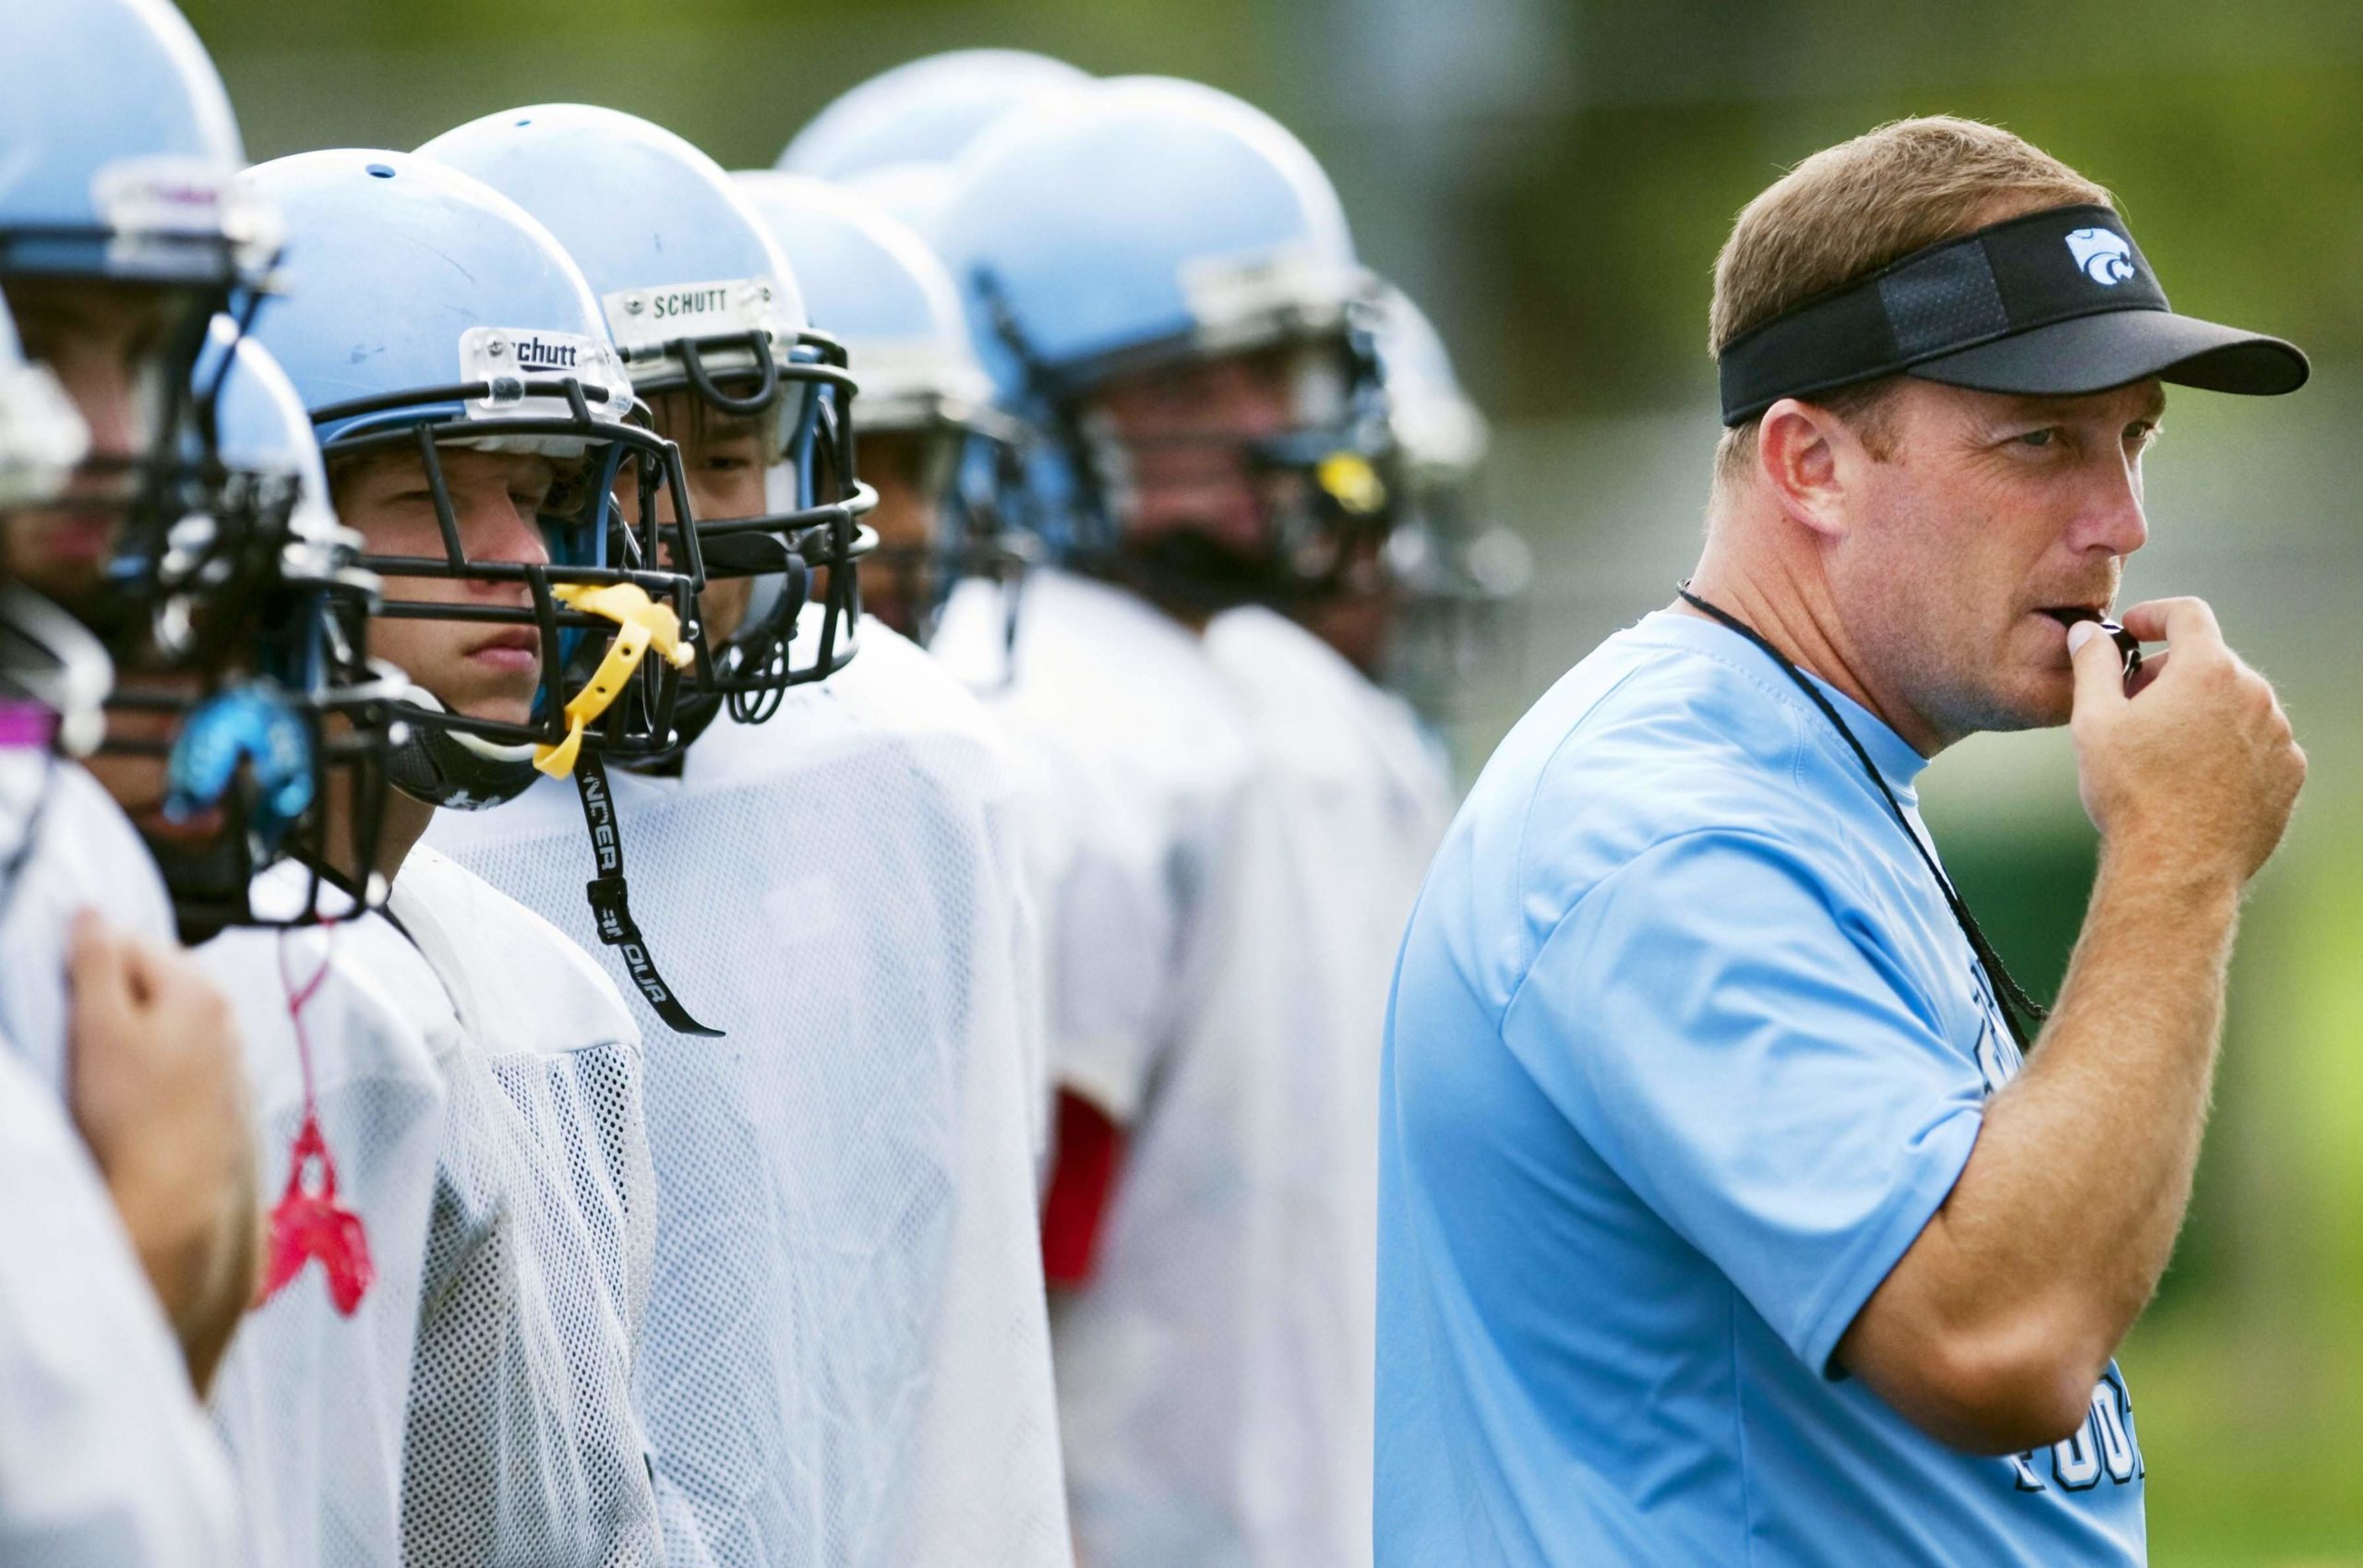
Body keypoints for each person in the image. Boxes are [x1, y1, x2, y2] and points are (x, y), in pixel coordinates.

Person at [1375, 116, 2309, 1566]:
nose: (2119, 520)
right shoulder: (1665, 831)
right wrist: (2177, 853)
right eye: (2042, 440)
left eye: (2133, 439)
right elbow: (2002, 1340)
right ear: (1811, 463)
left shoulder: (1805, 766)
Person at [414, 105, 1069, 1568]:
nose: (688, 537)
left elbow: (964, 1301)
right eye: (615, 472)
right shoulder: (408, 817)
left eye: (730, 457)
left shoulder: (913, 754)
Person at [930, 75, 1399, 1567]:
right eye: (1188, 394)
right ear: (1027, 415)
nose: (1265, 432)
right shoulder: (1043, 716)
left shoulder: (1296, 694)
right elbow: (1009, 1265)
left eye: (1280, 372)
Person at [242, 147, 699, 1567]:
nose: (527, 558)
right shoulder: (211, 983)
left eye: (541, 494)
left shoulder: (550, 991)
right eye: (428, 493)